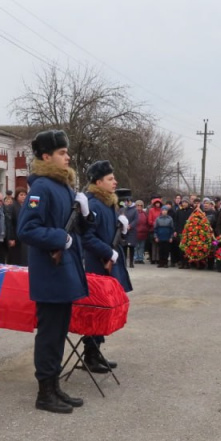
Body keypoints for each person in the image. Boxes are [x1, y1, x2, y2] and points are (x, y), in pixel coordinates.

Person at [16, 130, 89, 414]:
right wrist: (61, 239)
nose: (67, 156)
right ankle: (44, 392)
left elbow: (79, 228)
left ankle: (55, 385)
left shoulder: (63, 187)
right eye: (61, 153)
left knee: (59, 332)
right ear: (46, 157)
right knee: (49, 334)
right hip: (51, 272)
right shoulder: (42, 188)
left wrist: (85, 214)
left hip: (65, 271)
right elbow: (27, 230)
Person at [80, 160, 132, 373]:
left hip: (108, 264)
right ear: (98, 182)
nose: (115, 182)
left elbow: (108, 234)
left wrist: (121, 228)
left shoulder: (108, 203)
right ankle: (90, 356)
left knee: (104, 310)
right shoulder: (93, 205)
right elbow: (87, 237)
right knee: (96, 310)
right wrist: (108, 252)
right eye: (110, 179)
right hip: (97, 265)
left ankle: (95, 351)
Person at [153, 202, 176, 268]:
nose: (164, 211)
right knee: (160, 250)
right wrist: (156, 236)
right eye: (163, 210)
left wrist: (171, 237)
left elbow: (172, 229)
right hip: (160, 237)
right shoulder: (158, 219)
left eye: (165, 210)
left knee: (166, 250)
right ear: (161, 211)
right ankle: (161, 263)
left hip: (167, 237)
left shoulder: (170, 219)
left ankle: (165, 262)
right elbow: (155, 229)